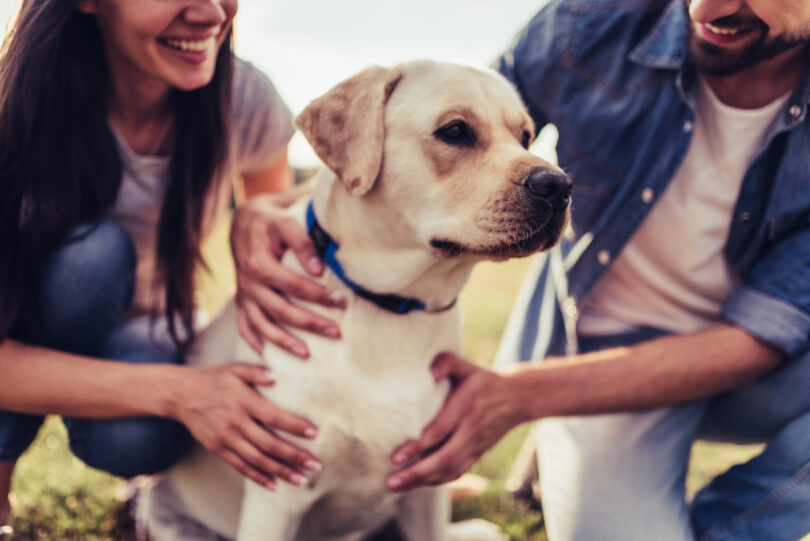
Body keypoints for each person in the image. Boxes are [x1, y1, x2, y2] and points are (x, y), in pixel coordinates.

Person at [254, 0, 810, 540]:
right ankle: (558, 467)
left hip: (756, 371)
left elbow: (763, 335)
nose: (702, 8)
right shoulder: (591, 22)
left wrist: (520, 394)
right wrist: (267, 208)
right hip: (592, 356)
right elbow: (430, 120)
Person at [0, 0, 338, 534]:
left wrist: (257, 213)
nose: (209, 13)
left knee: (138, 437)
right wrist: (185, 393)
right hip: (21, 333)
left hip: (146, 337)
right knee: (92, 258)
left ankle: (150, 490)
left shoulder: (244, 97)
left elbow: (287, 234)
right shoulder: (16, 107)